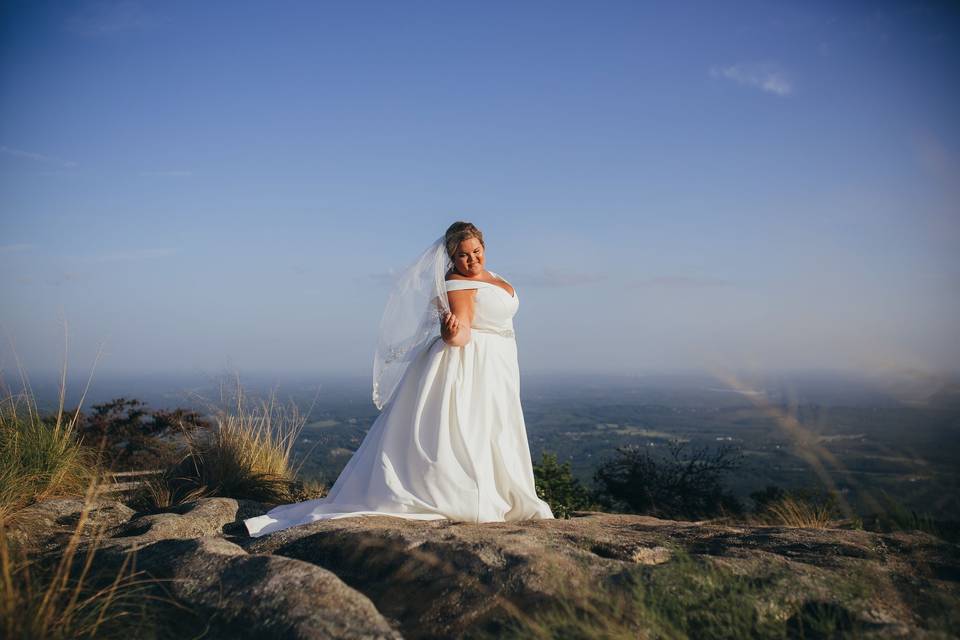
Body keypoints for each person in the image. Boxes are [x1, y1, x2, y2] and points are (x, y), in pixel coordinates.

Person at [243, 221, 554, 537]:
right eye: (463, 255)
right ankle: (471, 495)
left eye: (476, 251)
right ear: (451, 258)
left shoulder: (493, 277)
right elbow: (461, 331)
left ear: (484, 248)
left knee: (492, 427)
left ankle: (499, 491)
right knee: (470, 429)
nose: (472, 260)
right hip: (469, 365)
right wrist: (451, 332)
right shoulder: (458, 284)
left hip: (496, 365)